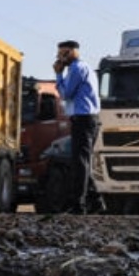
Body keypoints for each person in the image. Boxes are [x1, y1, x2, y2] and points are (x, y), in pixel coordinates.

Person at [53, 39, 101, 213]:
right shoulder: (81, 68)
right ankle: (96, 201)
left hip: (84, 119)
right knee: (82, 161)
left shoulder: (77, 69)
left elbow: (66, 94)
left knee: (80, 163)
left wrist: (58, 75)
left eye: (64, 53)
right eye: (59, 54)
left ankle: (78, 205)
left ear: (74, 52)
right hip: (86, 119)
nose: (61, 58)